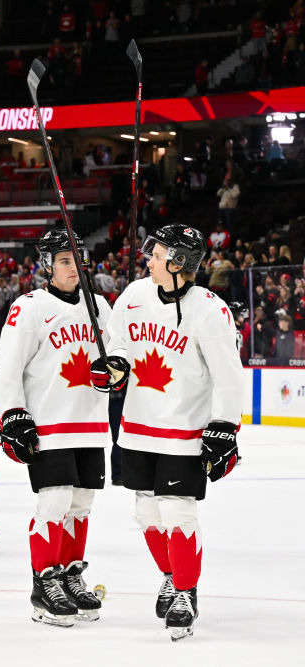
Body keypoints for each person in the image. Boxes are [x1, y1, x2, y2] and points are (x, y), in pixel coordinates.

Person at [98, 224, 244, 641]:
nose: (150, 260)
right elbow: (118, 343)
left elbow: (229, 376)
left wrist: (224, 425)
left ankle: (185, 591)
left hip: (184, 431)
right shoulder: (134, 296)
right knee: (146, 513)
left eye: (158, 255)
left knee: (178, 511)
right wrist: (115, 364)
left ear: (180, 263)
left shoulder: (211, 310)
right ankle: (170, 574)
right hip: (137, 429)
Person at [0, 229, 113, 627]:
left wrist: (117, 370)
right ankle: (44, 582)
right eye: (64, 260)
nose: (73, 267)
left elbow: (117, 357)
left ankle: (69, 572)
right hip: (50, 426)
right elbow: (6, 371)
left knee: (81, 506)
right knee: (54, 504)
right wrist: (12, 414)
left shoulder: (99, 306)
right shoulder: (28, 308)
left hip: (91, 424)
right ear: (47, 264)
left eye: (77, 258)